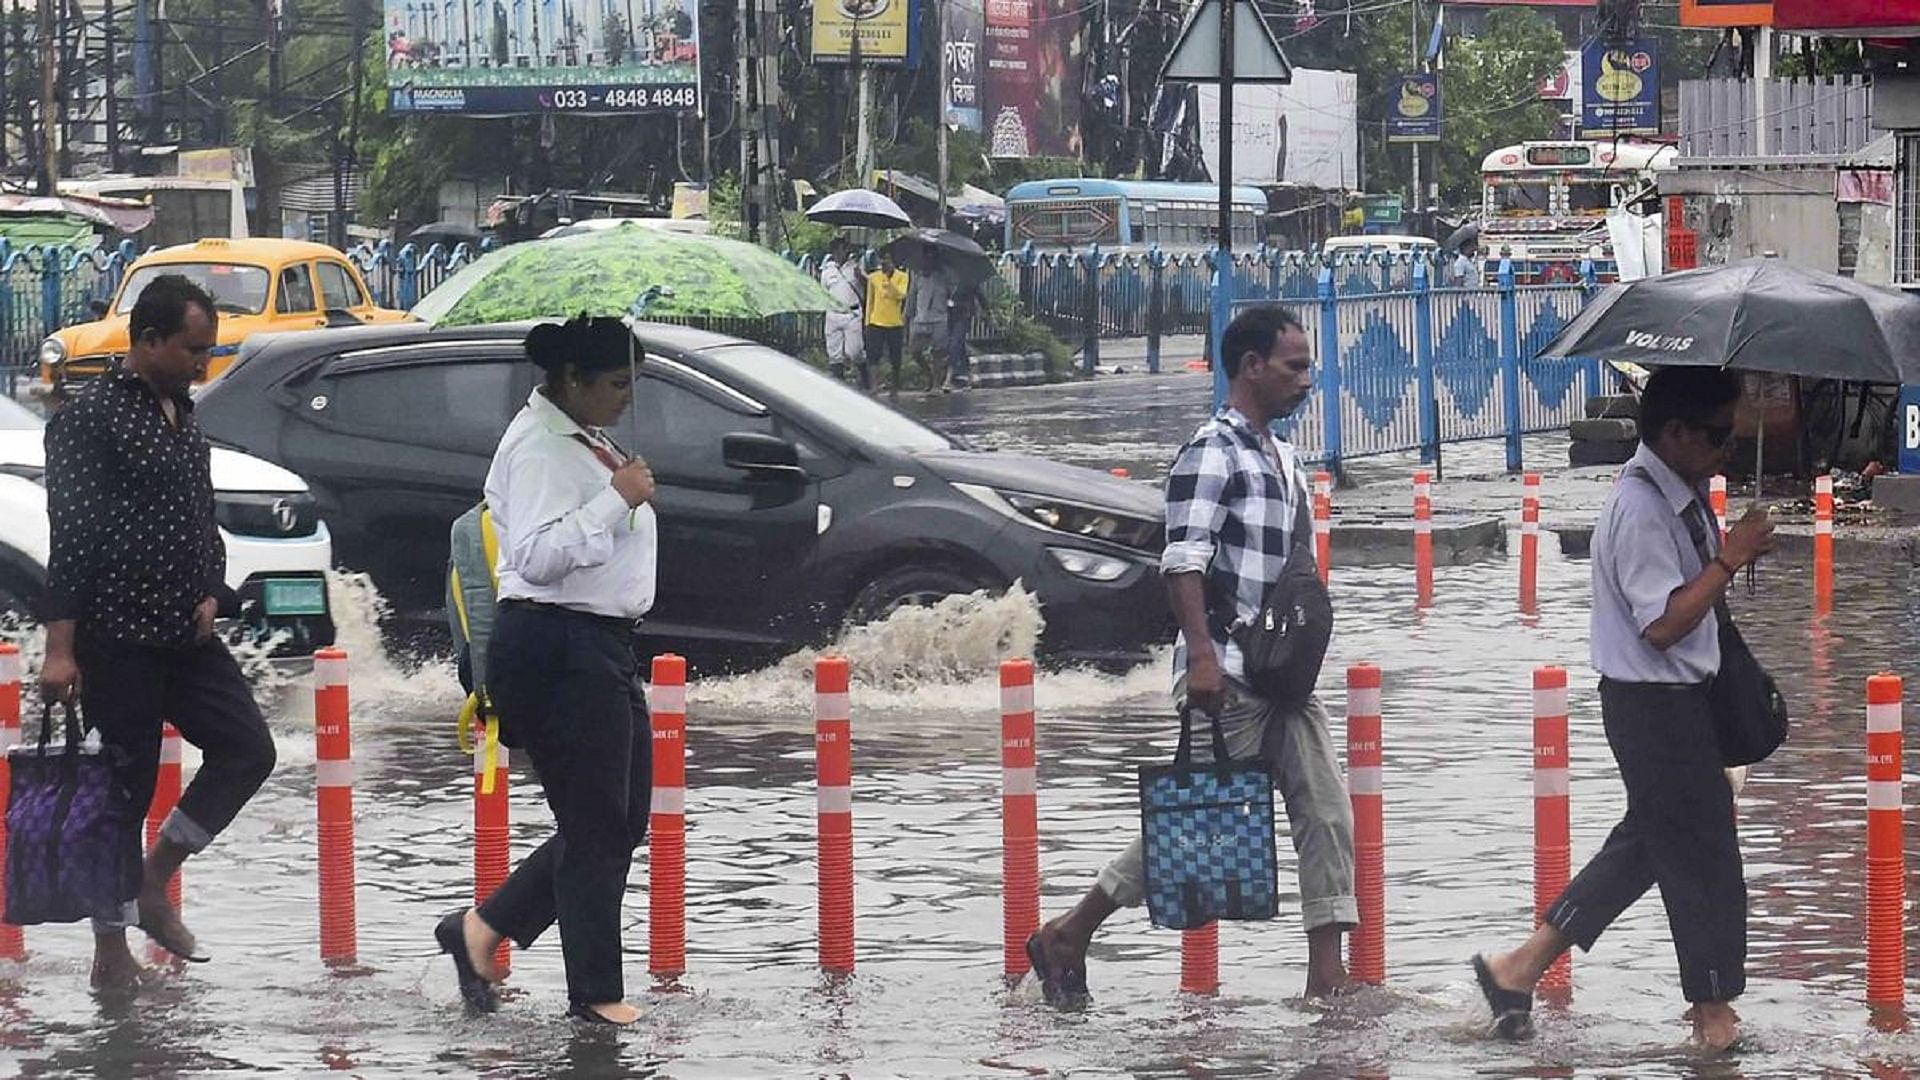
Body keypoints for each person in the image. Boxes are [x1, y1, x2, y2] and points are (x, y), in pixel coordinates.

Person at [1024, 304, 1358, 1005]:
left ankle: (1326, 982)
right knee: (1195, 824)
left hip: (1285, 674)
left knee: (1327, 816)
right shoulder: (1211, 451)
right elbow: (1183, 561)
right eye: (1295, 366)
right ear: (1250, 367)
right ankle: (1071, 931)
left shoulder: (1285, 458)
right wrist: (1202, 657)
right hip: (1228, 672)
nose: (1307, 380)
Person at [1472, 366, 1774, 1052]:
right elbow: (1662, 625)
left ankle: (1517, 969)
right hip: (1653, 705)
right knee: (1706, 859)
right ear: (1675, 432)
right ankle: (1715, 1015)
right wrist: (1729, 558)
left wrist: (1730, 556)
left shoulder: (1682, 495)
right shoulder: (1640, 507)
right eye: (1720, 435)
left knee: (1648, 846)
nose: (1729, 448)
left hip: (1680, 700)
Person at [41, 274, 276, 990]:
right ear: (147, 341)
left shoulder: (183, 410)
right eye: (192, 350)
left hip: (186, 633)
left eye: (210, 350)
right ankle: (110, 953)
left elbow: (200, 514)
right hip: (117, 636)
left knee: (248, 751)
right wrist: (60, 648)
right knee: (123, 792)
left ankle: (154, 877)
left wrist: (212, 586)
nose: (203, 364)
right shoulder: (90, 419)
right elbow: (71, 537)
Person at [435, 315, 659, 1026]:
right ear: (572, 380)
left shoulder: (585, 439)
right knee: (595, 825)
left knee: (620, 820)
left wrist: (613, 488)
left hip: (602, 645)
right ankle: (595, 994)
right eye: (617, 384)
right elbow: (532, 558)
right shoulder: (538, 447)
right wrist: (614, 499)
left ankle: (480, 930)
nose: (627, 397)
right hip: (557, 646)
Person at [904, 249, 953, 391]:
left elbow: (952, 292)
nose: (927, 261)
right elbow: (911, 297)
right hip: (920, 318)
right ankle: (929, 375)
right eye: (925, 258)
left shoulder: (944, 275)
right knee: (914, 350)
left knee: (937, 353)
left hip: (939, 318)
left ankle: (936, 385)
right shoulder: (916, 275)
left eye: (930, 258)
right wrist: (906, 316)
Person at [863, 250, 910, 393]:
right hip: (876, 321)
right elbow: (870, 300)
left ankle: (895, 385)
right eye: (883, 260)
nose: (885, 263)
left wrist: (889, 281)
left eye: (888, 260)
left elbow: (901, 295)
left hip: (894, 322)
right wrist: (867, 322)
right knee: (873, 354)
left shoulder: (902, 277)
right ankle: (874, 385)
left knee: (895, 356)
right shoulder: (874, 277)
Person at [820, 238, 865, 382]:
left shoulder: (855, 268)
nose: (840, 253)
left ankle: (866, 379)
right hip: (833, 313)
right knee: (834, 354)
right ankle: (839, 383)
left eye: (843, 249)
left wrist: (861, 277)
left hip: (852, 313)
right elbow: (824, 291)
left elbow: (868, 286)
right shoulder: (827, 271)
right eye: (837, 250)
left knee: (854, 351)